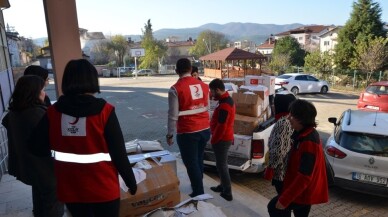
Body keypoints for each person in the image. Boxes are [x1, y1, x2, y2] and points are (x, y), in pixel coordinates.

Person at [30, 59, 137, 217]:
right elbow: (119, 153)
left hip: (71, 190)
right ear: (92, 80)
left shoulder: (53, 113)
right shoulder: (105, 112)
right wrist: (131, 182)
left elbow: (35, 147)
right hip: (104, 189)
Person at [2, 75, 64, 217]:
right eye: (42, 89)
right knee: (53, 206)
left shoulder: (14, 112)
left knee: (40, 202)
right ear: (33, 92)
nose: (45, 93)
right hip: (45, 170)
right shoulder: (37, 114)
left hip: (30, 168)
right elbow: (53, 139)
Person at [267, 99, 329, 217]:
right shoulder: (304, 134)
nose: (289, 118)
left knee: (274, 207)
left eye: (292, 116)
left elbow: (304, 177)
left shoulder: (308, 141)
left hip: (304, 192)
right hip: (303, 190)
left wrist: (285, 199)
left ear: (301, 119)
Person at [166, 58, 210, 197]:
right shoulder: (204, 86)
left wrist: (170, 134)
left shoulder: (175, 89)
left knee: (191, 163)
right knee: (198, 159)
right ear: (191, 70)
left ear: (176, 71)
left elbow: (173, 115)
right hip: (205, 129)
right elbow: (207, 107)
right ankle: (198, 184)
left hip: (188, 131)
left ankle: (198, 192)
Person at [208, 78, 235, 201]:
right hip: (223, 138)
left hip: (222, 140)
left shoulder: (225, 105)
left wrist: (214, 139)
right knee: (220, 165)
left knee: (222, 165)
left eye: (212, 91)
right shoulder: (226, 99)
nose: (211, 94)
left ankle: (227, 192)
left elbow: (221, 126)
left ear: (218, 90)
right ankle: (222, 186)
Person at [264, 93, 296, 194]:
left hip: (281, 171)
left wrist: (270, 168)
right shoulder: (289, 119)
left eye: (274, 104)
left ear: (281, 105)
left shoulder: (283, 122)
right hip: (285, 170)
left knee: (281, 200)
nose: (272, 106)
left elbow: (279, 149)